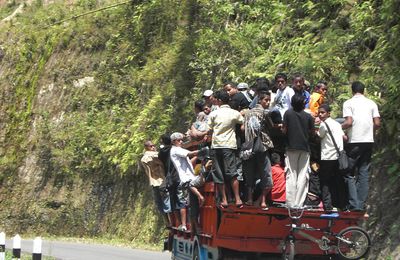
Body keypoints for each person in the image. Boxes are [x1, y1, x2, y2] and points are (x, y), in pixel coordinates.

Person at [342, 81, 380, 211]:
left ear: (352, 91)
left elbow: (349, 122)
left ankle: (353, 204)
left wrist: (338, 127)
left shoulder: (348, 103)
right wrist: (371, 132)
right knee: (363, 172)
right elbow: (377, 123)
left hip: (354, 141)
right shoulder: (372, 103)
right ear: (363, 91)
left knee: (349, 173)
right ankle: (360, 204)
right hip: (368, 141)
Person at [207, 91, 244, 208]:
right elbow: (243, 122)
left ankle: (224, 199)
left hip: (217, 146)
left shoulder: (214, 114)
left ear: (218, 101)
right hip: (229, 146)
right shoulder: (234, 113)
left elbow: (209, 129)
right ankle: (238, 199)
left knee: (219, 174)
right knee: (232, 173)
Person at [242, 92, 274, 209]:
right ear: (260, 100)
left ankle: (250, 199)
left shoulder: (247, 113)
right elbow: (271, 126)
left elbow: (243, 128)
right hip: (262, 147)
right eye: (266, 100)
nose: (268, 102)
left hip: (249, 148)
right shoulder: (265, 113)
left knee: (250, 175)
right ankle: (263, 201)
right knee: (265, 174)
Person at [283, 94, 314, 207]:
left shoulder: (288, 113)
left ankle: (290, 203)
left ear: (292, 103)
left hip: (291, 148)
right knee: (302, 176)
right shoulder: (309, 116)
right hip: (305, 149)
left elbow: (284, 130)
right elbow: (312, 133)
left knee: (291, 174)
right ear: (303, 104)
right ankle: (299, 203)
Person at [170, 132, 205, 231]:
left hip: (190, 177)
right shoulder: (175, 150)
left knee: (192, 205)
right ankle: (200, 196)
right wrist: (202, 151)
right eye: (179, 140)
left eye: (181, 140)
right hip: (186, 180)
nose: (181, 142)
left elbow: (190, 160)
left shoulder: (179, 150)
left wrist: (198, 156)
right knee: (191, 204)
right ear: (173, 142)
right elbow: (190, 153)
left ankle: (195, 227)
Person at [318, 104, 347, 211]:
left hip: (327, 157)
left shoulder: (323, 125)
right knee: (338, 180)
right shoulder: (337, 124)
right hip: (338, 156)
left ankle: (328, 206)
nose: (320, 114)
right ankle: (342, 205)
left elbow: (319, 136)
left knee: (325, 181)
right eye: (319, 112)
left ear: (328, 113)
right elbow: (343, 137)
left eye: (322, 112)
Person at [140, 140, 172, 226]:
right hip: (162, 181)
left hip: (153, 182)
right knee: (166, 200)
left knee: (159, 202)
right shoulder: (154, 155)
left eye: (154, 145)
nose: (154, 147)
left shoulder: (143, 159)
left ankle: (166, 222)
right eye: (151, 146)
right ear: (146, 148)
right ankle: (171, 221)